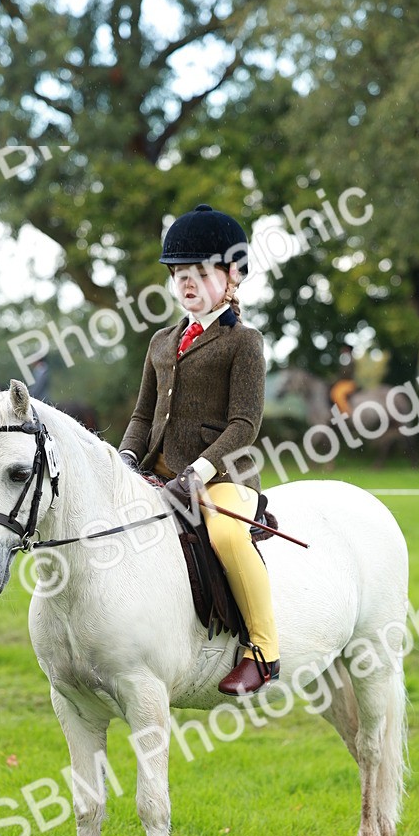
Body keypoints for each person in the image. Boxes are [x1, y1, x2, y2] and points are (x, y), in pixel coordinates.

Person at [119, 203, 279, 696]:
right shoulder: (161, 342)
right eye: (179, 274)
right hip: (156, 473)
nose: (187, 283)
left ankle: (263, 651)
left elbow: (244, 425)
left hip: (223, 478)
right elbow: (143, 417)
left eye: (201, 273)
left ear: (232, 278)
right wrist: (123, 460)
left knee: (229, 539)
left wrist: (200, 471)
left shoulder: (243, 342)